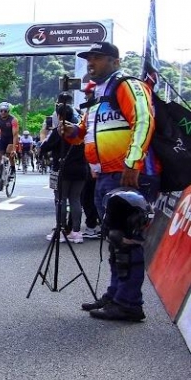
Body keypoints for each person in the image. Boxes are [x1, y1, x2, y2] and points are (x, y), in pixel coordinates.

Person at [62, 41, 159, 321]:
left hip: (125, 174)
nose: (91, 62)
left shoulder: (127, 85)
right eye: (89, 58)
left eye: (98, 58)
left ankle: (129, 303)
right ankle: (116, 294)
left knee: (126, 238)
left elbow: (144, 120)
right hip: (103, 176)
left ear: (115, 61)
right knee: (115, 238)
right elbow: (84, 134)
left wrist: (133, 162)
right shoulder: (98, 94)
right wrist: (71, 131)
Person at [40, 101, 86, 243]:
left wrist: (43, 138)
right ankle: (76, 232)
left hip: (62, 170)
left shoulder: (59, 130)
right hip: (81, 169)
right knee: (75, 199)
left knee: (60, 199)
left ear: (59, 116)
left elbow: (45, 147)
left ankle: (60, 231)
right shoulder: (80, 129)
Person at [0, 101, 19, 170]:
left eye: (5, 111)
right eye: (1, 111)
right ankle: (1, 169)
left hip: (11, 138)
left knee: (9, 154)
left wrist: (14, 149)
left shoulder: (13, 120)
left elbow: (15, 135)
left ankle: (13, 168)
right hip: (2, 138)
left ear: (8, 111)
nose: (3, 113)